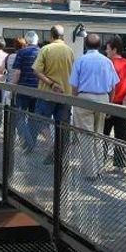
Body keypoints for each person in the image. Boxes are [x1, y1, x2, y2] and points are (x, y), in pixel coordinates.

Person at [68, 33, 119, 180]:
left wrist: (75, 102)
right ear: (99, 46)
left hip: (84, 98)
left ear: (85, 45)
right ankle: (99, 168)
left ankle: (90, 172)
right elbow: (113, 87)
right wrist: (109, 104)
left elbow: (74, 87)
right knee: (99, 135)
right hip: (103, 98)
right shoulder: (107, 62)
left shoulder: (80, 61)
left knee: (86, 136)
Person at [32, 25, 75, 163]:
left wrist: (51, 84)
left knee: (39, 120)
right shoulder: (69, 51)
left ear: (51, 36)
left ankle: (51, 144)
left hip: (47, 93)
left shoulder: (46, 49)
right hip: (66, 94)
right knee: (62, 126)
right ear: (62, 36)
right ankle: (60, 157)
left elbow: (36, 71)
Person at [104, 35, 126, 173]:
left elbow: (107, 85)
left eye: (108, 49)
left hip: (109, 104)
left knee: (103, 134)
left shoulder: (108, 63)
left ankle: (101, 160)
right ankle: (119, 165)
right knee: (121, 135)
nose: (106, 51)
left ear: (114, 50)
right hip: (124, 105)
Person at [12, 32, 43, 150]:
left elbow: (17, 72)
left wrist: (12, 88)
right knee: (33, 118)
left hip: (23, 89)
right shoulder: (42, 52)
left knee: (19, 116)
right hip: (38, 90)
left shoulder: (21, 52)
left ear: (26, 41)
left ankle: (27, 141)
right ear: (37, 41)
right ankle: (31, 144)